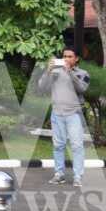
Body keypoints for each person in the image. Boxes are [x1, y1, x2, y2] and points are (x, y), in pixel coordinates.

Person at [38, 47, 90, 188]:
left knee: (77, 146)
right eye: (64, 56)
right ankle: (59, 174)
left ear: (76, 59)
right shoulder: (55, 72)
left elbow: (82, 88)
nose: (66, 59)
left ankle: (78, 176)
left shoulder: (82, 73)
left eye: (69, 56)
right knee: (58, 145)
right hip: (57, 114)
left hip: (74, 114)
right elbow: (42, 87)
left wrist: (69, 73)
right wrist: (48, 71)